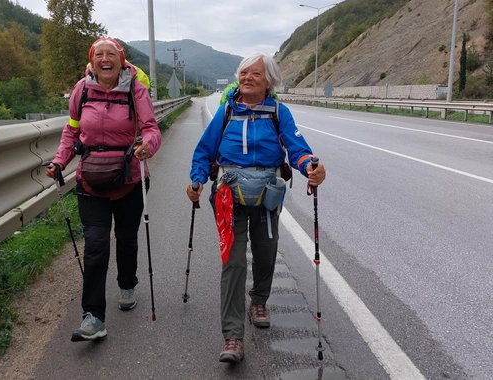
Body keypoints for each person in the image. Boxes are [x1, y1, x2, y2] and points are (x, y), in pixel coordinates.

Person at [186, 52, 326, 363]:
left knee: (266, 251)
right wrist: (196, 180)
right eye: (244, 72)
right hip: (227, 196)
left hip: (267, 197)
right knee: (233, 262)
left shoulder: (279, 112)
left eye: (256, 74)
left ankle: (259, 301)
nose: (248, 78)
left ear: (269, 81)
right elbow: (203, 152)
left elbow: (298, 150)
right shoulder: (225, 112)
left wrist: (310, 167)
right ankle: (233, 336)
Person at [46, 37, 161, 342]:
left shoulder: (135, 90)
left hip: (130, 178)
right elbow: (71, 131)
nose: (105, 59)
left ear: (121, 61)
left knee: (126, 238)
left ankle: (127, 283)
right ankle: (93, 316)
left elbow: (151, 128)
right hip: (90, 178)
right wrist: (59, 162)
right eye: (100, 55)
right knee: (96, 244)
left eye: (112, 54)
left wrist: (146, 147)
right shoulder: (81, 90)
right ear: (92, 60)